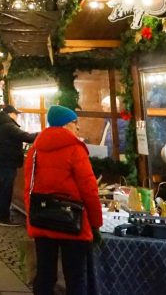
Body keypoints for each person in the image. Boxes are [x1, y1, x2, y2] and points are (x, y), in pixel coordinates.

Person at [23, 106, 102, 295]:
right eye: (76, 123)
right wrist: (96, 223)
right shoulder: (75, 149)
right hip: (71, 221)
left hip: (43, 220)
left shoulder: (35, 150)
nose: (78, 128)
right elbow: (89, 189)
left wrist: (31, 214)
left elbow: (29, 187)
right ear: (66, 124)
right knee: (75, 277)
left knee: (45, 274)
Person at [0, 104, 37, 226]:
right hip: (7, 162)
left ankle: (0, 215)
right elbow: (26, 137)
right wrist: (44, 133)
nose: (17, 116)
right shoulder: (8, 125)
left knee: (1, 189)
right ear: (10, 114)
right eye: (16, 114)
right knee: (6, 189)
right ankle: (4, 218)